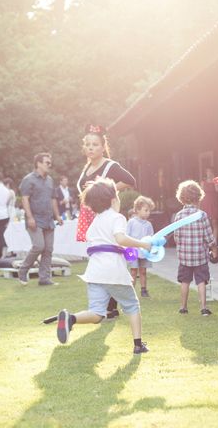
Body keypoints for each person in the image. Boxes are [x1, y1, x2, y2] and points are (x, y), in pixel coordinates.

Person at [52, 178, 156, 354]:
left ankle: (71, 319)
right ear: (113, 199)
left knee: (97, 313)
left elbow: (108, 245)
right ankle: (138, 345)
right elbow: (120, 239)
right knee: (132, 306)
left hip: (94, 271)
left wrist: (127, 252)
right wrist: (144, 245)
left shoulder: (96, 221)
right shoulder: (118, 218)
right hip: (112, 271)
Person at [76, 124, 136, 317]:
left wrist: (108, 191)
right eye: (88, 144)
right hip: (91, 214)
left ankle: (112, 306)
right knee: (98, 255)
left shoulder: (110, 165)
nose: (91, 147)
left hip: (105, 215)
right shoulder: (87, 167)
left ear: (103, 147)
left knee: (111, 254)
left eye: (95, 144)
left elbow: (130, 180)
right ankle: (106, 302)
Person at [173, 181, 218, 316]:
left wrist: (182, 247)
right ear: (198, 196)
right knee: (201, 281)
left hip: (184, 257)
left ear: (181, 197)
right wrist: (214, 249)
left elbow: (176, 236)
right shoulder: (202, 215)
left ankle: (183, 307)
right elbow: (209, 236)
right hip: (200, 256)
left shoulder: (179, 215)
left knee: (184, 281)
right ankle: (204, 307)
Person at [17, 153, 63, 286]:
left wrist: (58, 216)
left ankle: (44, 279)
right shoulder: (28, 179)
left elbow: (53, 199)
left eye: (50, 162)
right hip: (35, 219)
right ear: (38, 163)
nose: (50, 165)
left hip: (48, 220)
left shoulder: (50, 180)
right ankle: (23, 270)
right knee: (39, 246)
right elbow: (25, 199)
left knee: (48, 249)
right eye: (47, 162)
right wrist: (30, 218)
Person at [126, 196, 155, 297]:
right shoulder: (131, 222)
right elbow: (126, 236)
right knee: (133, 271)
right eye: (146, 210)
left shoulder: (148, 224)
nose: (148, 213)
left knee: (143, 271)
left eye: (149, 211)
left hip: (144, 251)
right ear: (137, 210)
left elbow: (151, 237)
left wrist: (152, 247)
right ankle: (131, 292)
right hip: (132, 250)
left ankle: (144, 290)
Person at [200, 167, 218, 243]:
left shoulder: (215, 181)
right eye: (207, 172)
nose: (208, 173)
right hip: (205, 203)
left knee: (214, 222)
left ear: (212, 172)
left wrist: (215, 182)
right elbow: (201, 193)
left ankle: (214, 240)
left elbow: (217, 191)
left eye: (210, 172)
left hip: (214, 202)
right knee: (206, 222)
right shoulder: (203, 182)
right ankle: (207, 240)